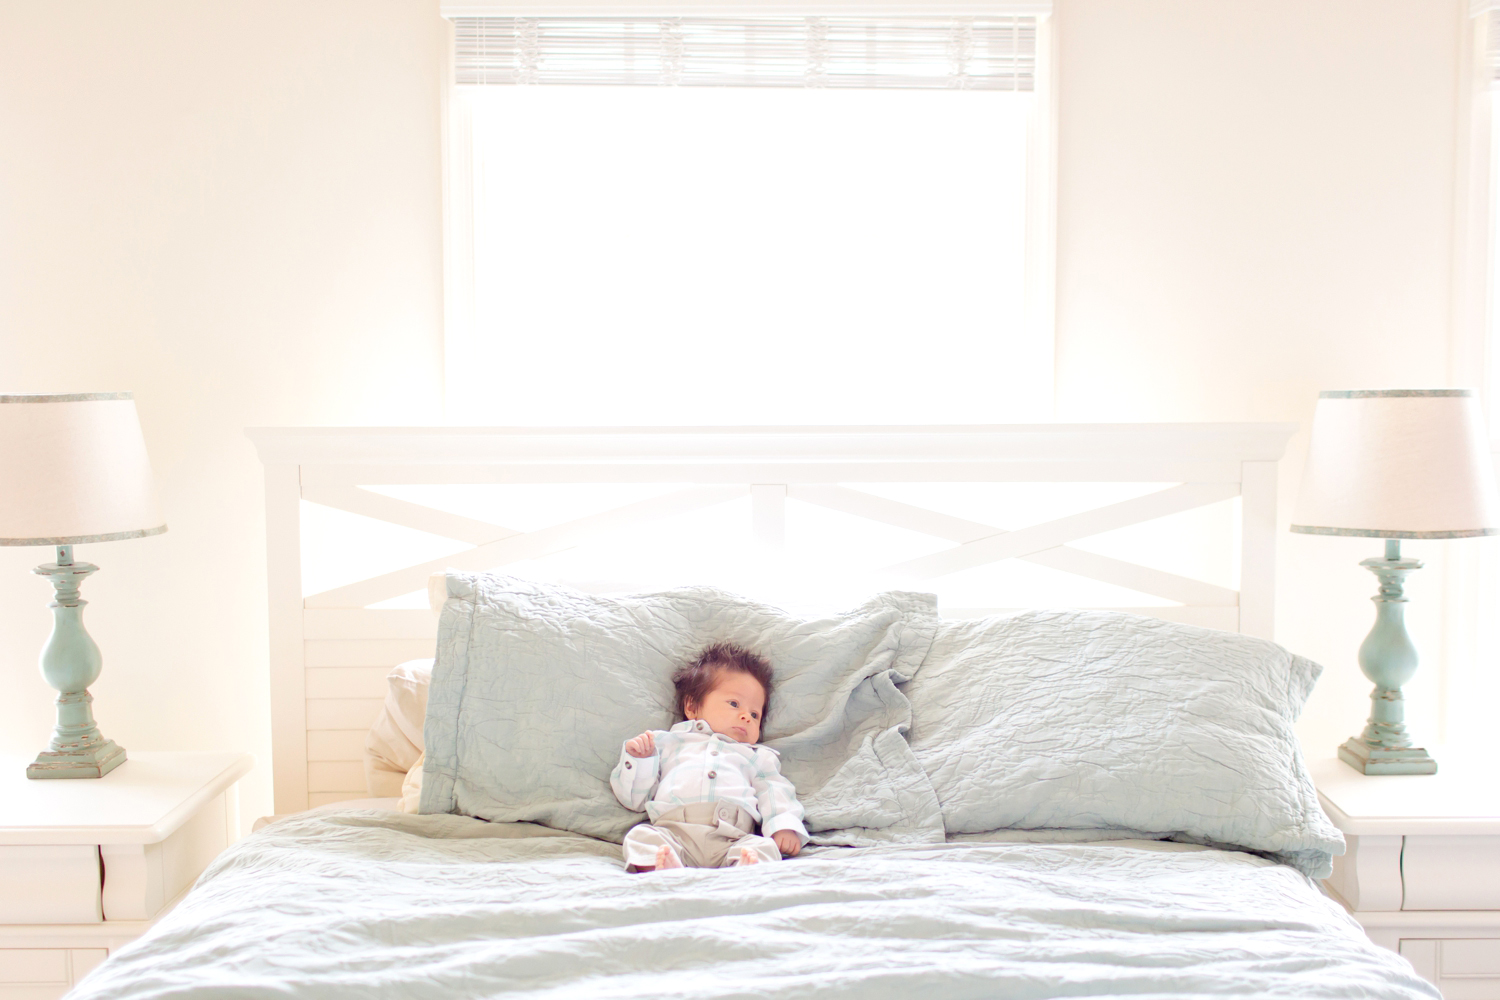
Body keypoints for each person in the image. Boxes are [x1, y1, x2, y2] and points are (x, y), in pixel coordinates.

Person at [610, 642, 809, 872]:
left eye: (755, 714)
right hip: (674, 833)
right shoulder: (668, 743)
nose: (746, 716)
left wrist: (782, 826)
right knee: (640, 837)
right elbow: (634, 800)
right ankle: (665, 870)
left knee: (764, 848)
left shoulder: (756, 757)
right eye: (734, 704)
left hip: (733, 837)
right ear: (692, 707)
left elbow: (775, 791)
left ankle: (744, 872)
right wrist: (641, 760)